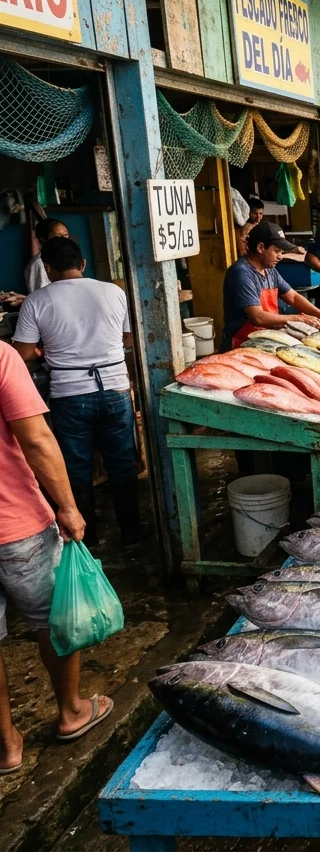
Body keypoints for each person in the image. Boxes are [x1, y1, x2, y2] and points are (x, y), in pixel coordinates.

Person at [0, 340, 113, 769]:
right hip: (16, 524)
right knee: (54, 619)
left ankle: (6, 744)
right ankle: (71, 711)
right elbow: (36, 439)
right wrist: (67, 505)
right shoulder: (1, 356)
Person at [12, 237, 143, 547]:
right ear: (82, 264)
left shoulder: (36, 301)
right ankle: (133, 533)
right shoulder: (114, 292)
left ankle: (88, 537)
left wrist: (47, 349)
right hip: (115, 387)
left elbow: (22, 355)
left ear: (47, 268)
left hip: (69, 394)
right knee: (122, 463)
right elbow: (128, 339)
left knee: (76, 467)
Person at [222, 222, 320, 350]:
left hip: (266, 338)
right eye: (277, 251)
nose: (280, 256)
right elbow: (258, 317)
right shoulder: (241, 273)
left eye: (281, 251)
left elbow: (293, 297)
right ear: (260, 248)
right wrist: (299, 319)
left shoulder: (270, 271)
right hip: (241, 343)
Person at [26, 218, 69, 293]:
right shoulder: (39, 263)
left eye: (65, 234)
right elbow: (40, 295)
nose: (63, 239)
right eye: (57, 236)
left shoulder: (68, 258)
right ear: (43, 239)